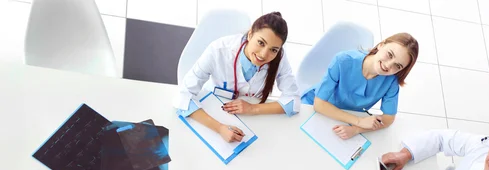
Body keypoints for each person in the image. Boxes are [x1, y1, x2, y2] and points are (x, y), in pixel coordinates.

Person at [174, 12, 300, 143]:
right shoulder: (219, 50)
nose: (264, 54)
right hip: (214, 106)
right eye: (261, 43)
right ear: (250, 34)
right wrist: (220, 128)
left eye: (273, 49)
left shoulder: (279, 57)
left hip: (252, 120)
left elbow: (293, 101)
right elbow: (183, 97)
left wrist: (253, 108)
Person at [301, 33, 418, 140]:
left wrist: (356, 129)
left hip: (345, 119)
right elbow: (319, 104)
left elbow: (388, 119)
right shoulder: (343, 60)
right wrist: (358, 121)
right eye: (390, 55)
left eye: (397, 66)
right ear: (381, 45)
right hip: (313, 107)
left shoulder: (391, 82)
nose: (388, 65)